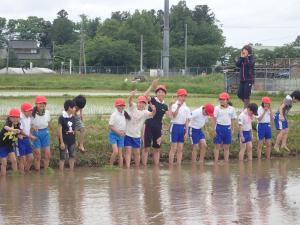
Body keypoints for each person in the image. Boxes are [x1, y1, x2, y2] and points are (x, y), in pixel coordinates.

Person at [124, 91, 156, 168]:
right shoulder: (133, 107)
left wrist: (154, 110)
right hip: (128, 134)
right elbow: (129, 101)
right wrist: (131, 95)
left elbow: (152, 114)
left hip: (137, 136)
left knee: (137, 153)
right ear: (137, 103)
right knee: (128, 151)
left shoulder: (145, 112)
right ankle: (128, 168)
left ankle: (137, 168)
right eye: (140, 102)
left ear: (145, 105)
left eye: (143, 103)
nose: (141, 104)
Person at [143, 79, 169, 166]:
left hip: (158, 128)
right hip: (149, 126)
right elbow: (145, 95)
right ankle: (144, 167)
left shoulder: (165, 106)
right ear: (156, 93)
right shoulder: (153, 100)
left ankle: (156, 167)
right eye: (159, 92)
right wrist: (152, 85)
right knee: (146, 147)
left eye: (163, 92)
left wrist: (174, 106)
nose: (161, 93)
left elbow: (170, 116)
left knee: (157, 148)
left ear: (165, 94)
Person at [213, 92, 237, 162]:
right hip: (219, 128)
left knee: (226, 147)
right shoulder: (217, 108)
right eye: (220, 99)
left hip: (227, 129)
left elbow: (233, 119)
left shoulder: (232, 109)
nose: (221, 101)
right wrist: (214, 129)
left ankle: (226, 162)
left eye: (223, 99)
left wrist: (232, 129)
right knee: (217, 146)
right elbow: (214, 119)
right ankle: (216, 162)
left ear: (227, 100)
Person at [169, 89, 190, 165]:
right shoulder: (174, 105)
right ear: (178, 96)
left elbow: (187, 121)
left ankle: (178, 166)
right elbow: (173, 116)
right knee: (173, 148)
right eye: (181, 96)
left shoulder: (187, 108)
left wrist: (187, 132)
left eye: (184, 96)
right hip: (175, 127)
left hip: (182, 128)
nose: (183, 98)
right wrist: (178, 107)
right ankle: (171, 166)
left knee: (180, 149)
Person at [31, 96, 51, 171]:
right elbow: (29, 123)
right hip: (36, 133)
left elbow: (49, 123)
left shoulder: (47, 112)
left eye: (43, 103)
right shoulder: (32, 113)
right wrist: (33, 127)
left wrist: (51, 131)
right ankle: (37, 171)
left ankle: (46, 170)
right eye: (40, 103)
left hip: (45, 133)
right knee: (37, 154)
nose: (42, 105)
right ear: (36, 104)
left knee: (48, 154)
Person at [0, 108, 21, 176]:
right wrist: (12, 130)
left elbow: (16, 135)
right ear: (9, 118)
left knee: (14, 161)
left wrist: (19, 135)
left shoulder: (18, 125)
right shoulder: (8, 124)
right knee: (4, 163)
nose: (15, 119)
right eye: (13, 117)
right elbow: (6, 127)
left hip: (9, 145)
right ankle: (3, 180)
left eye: (17, 117)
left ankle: (16, 176)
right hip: (2, 146)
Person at [109, 98, 128, 167]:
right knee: (116, 151)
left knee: (120, 153)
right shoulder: (114, 115)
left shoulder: (124, 113)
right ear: (116, 106)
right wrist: (118, 132)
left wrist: (125, 132)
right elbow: (110, 126)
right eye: (119, 105)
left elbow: (126, 123)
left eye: (122, 105)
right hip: (113, 135)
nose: (121, 107)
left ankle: (121, 169)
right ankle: (110, 166)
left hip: (121, 135)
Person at [58, 100, 77, 171]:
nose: (75, 109)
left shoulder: (73, 117)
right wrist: (62, 142)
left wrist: (75, 140)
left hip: (72, 141)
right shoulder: (62, 117)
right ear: (69, 108)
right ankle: (61, 173)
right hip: (64, 141)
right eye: (74, 107)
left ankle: (71, 171)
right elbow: (59, 130)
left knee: (72, 156)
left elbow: (74, 129)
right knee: (62, 157)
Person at [18, 102, 35, 173]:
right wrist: (30, 136)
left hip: (27, 139)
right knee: (23, 159)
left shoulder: (29, 118)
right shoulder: (20, 118)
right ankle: (21, 175)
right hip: (21, 140)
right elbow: (21, 131)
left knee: (31, 158)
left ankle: (26, 172)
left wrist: (30, 136)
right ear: (24, 111)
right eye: (29, 110)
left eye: (31, 110)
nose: (31, 112)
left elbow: (28, 130)